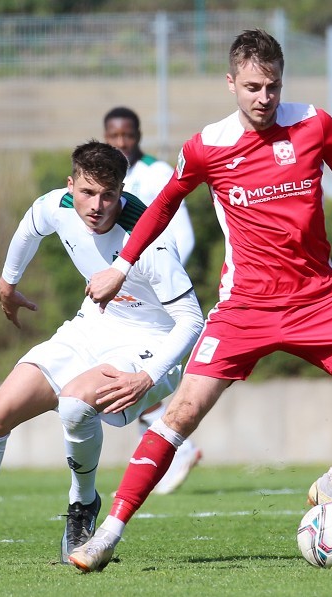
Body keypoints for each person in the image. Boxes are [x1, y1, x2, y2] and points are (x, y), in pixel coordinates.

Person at [69, 29, 332, 573]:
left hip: (317, 303)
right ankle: (107, 536)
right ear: (232, 83)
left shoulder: (313, 123)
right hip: (244, 309)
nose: (265, 97)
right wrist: (121, 267)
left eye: (274, 86)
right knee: (181, 414)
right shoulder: (207, 146)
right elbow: (164, 205)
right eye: (254, 86)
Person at [0, 140, 203, 565]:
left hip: (150, 344)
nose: (97, 206)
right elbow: (32, 224)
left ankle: (82, 505)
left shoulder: (148, 239)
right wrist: (7, 282)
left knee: (74, 402)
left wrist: (149, 376)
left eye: (109, 195)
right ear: (72, 185)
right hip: (92, 326)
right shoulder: (59, 205)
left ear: (122, 190)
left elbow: (193, 319)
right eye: (88, 192)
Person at [103, 106, 202, 495]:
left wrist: (164, 284)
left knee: (141, 377)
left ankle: (180, 445)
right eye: (114, 136)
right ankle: (177, 446)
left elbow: (184, 235)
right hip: (119, 296)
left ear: (138, 135)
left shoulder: (156, 174)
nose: (121, 143)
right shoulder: (104, 180)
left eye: (127, 135)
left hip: (156, 295)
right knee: (119, 374)